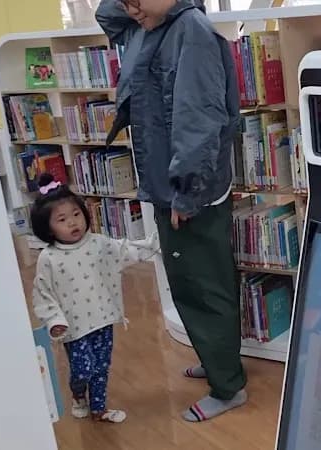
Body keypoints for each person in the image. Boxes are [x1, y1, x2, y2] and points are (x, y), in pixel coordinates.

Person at [96, 0, 246, 422]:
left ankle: (228, 386)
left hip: (189, 188)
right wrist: (139, 6)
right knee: (191, 281)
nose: (130, 9)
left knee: (202, 287)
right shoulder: (152, 25)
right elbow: (106, 16)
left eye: (135, 1)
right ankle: (219, 363)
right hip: (170, 182)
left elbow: (198, 119)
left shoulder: (190, 30)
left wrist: (186, 193)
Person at [30, 173, 158, 423]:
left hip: (104, 319)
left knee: (101, 367)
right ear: (47, 227)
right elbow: (43, 293)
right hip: (74, 326)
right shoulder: (49, 258)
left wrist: (155, 243)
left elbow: (124, 250)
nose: (73, 223)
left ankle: (99, 409)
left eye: (76, 214)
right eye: (62, 219)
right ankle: (78, 394)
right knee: (83, 369)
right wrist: (54, 320)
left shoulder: (98, 243)